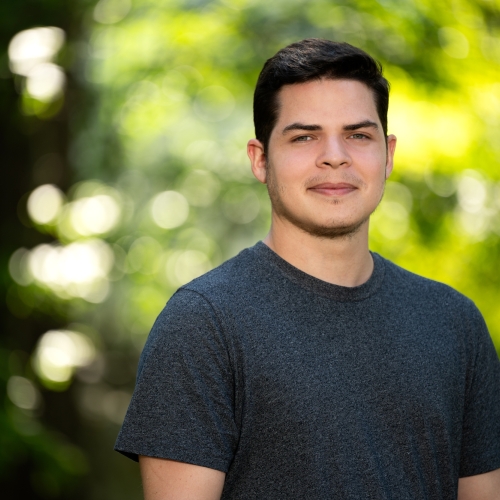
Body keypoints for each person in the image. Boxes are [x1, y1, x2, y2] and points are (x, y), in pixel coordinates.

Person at [115, 39, 500, 499]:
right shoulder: (202, 325)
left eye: (358, 135)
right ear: (260, 160)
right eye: (304, 137)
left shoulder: (454, 323)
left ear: (388, 154)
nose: (334, 156)